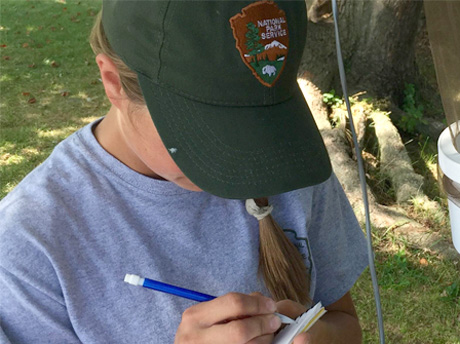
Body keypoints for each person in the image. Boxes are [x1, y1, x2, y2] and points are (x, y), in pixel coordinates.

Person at [0, 1, 369, 343]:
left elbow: (344, 321)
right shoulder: (32, 242)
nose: (244, 160)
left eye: (257, 123)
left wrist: (318, 336)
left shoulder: (287, 159)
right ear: (113, 84)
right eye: (206, 131)